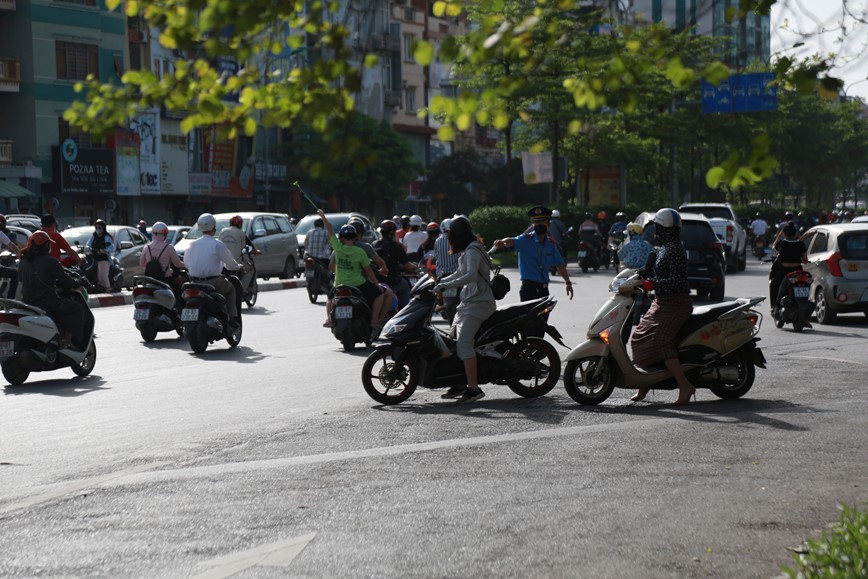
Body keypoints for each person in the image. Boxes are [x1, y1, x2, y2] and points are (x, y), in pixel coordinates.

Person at [629, 208, 695, 406]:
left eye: (657, 227)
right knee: (639, 337)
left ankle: (685, 386)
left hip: (676, 303)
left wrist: (654, 284)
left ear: (662, 228)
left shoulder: (674, 249)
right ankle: (644, 383)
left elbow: (676, 281)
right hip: (662, 302)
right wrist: (634, 274)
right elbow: (651, 269)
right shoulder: (665, 247)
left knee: (659, 342)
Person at [434, 216, 496, 404]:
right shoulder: (468, 251)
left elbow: (469, 276)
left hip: (479, 304)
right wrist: (441, 282)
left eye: (451, 235)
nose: (449, 239)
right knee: (451, 342)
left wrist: (446, 285)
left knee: (463, 344)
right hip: (468, 303)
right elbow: (460, 273)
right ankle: (460, 382)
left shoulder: (473, 251)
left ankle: (474, 389)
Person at [492, 206, 574, 338]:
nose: (539, 225)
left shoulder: (550, 244)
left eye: (541, 222)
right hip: (528, 290)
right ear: (532, 224)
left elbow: (560, 264)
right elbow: (511, 241)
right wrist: (502, 242)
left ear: (548, 224)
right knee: (528, 326)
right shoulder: (525, 240)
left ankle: (537, 353)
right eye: (536, 223)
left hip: (543, 291)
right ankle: (525, 354)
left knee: (541, 326)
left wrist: (568, 283)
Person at [318, 210, 388, 337]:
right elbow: (368, 270)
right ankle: (374, 321)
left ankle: (329, 319)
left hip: (339, 283)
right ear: (356, 236)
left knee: (329, 298)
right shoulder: (360, 251)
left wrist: (323, 216)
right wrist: (376, 283)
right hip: (358, 283)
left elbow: (330, 230)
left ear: (341, 238)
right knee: (380, 294)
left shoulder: (338, 249)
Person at [19, 231, 86, 349]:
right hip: (47, 302)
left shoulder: (23, 261)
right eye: (48, 244)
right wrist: (79, 282)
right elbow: (66, 280)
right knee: (77, 309)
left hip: (27, 302)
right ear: (45, 246)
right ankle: (67, 340)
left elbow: (20, 279)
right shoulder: (50, 261)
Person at [183, 213, 242, 327]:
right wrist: (239, 267)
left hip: (194, 283)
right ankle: (232, 320)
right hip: (213, 282)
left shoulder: (192, 244)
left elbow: (186, 264)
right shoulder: (217, 244)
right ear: (213, 227)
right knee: (230, 290)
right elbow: (230, 265)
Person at [373, 219, 415, 309]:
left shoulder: (375, 244)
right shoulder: (395, 246)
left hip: (378, 279)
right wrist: (416, 268)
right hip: (393, 280)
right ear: (391, 233)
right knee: (405, 286)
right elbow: (407, 265)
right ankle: (404, 310)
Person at [768, 222, 808, 315]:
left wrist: (780, 233)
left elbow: (774, 245)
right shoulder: (801, 244)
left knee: (774, 285)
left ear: (784, 233)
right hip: (798, 271)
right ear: (795, 233)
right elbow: (805, 260)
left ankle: (775, 307)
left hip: (783, 272)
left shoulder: (782, 244)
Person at [140, 221, 186, 298]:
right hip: (165, 280)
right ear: (164, 234)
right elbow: (177, 264)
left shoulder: (146, 247)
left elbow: (142, 264)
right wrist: (187, 265)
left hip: (150, 281)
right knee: (180, 297)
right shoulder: (169, 247)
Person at [218, 215, 260, 291]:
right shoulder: (241, 233)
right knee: (250, 270)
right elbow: (244, 250)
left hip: (222, 263)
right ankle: (241, 289)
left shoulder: (223, 231)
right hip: (236, 262)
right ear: (240, 224)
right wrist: (248, 262)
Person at [86, 219, 115, 293]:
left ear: (103, 228)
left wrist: (104, 251)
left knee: (102, 276)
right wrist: (88, 249)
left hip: (103, 259)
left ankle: (108, 290)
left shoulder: (107, 237)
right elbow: (88, 245)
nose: (97, 229)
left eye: (99, 227)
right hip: (93, 259)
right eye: (96, 227)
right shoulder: (93, 236)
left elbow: (111, 247)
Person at [0, 214, 22, 299]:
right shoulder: (1, 233)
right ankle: (10, 300)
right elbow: (12, 246)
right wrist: (20, 255)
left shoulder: (8, 234)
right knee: (15, 274)